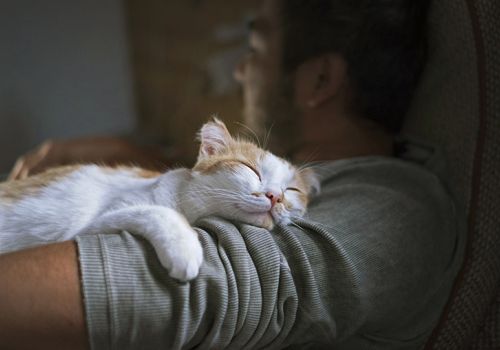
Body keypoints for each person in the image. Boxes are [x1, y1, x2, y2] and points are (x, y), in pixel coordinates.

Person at [0, 0, 465, 349]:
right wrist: (133, 155)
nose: (241, 71)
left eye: (256, 50)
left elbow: (199, 287)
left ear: (319, 81)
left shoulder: (396, 209)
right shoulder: (329, 181)